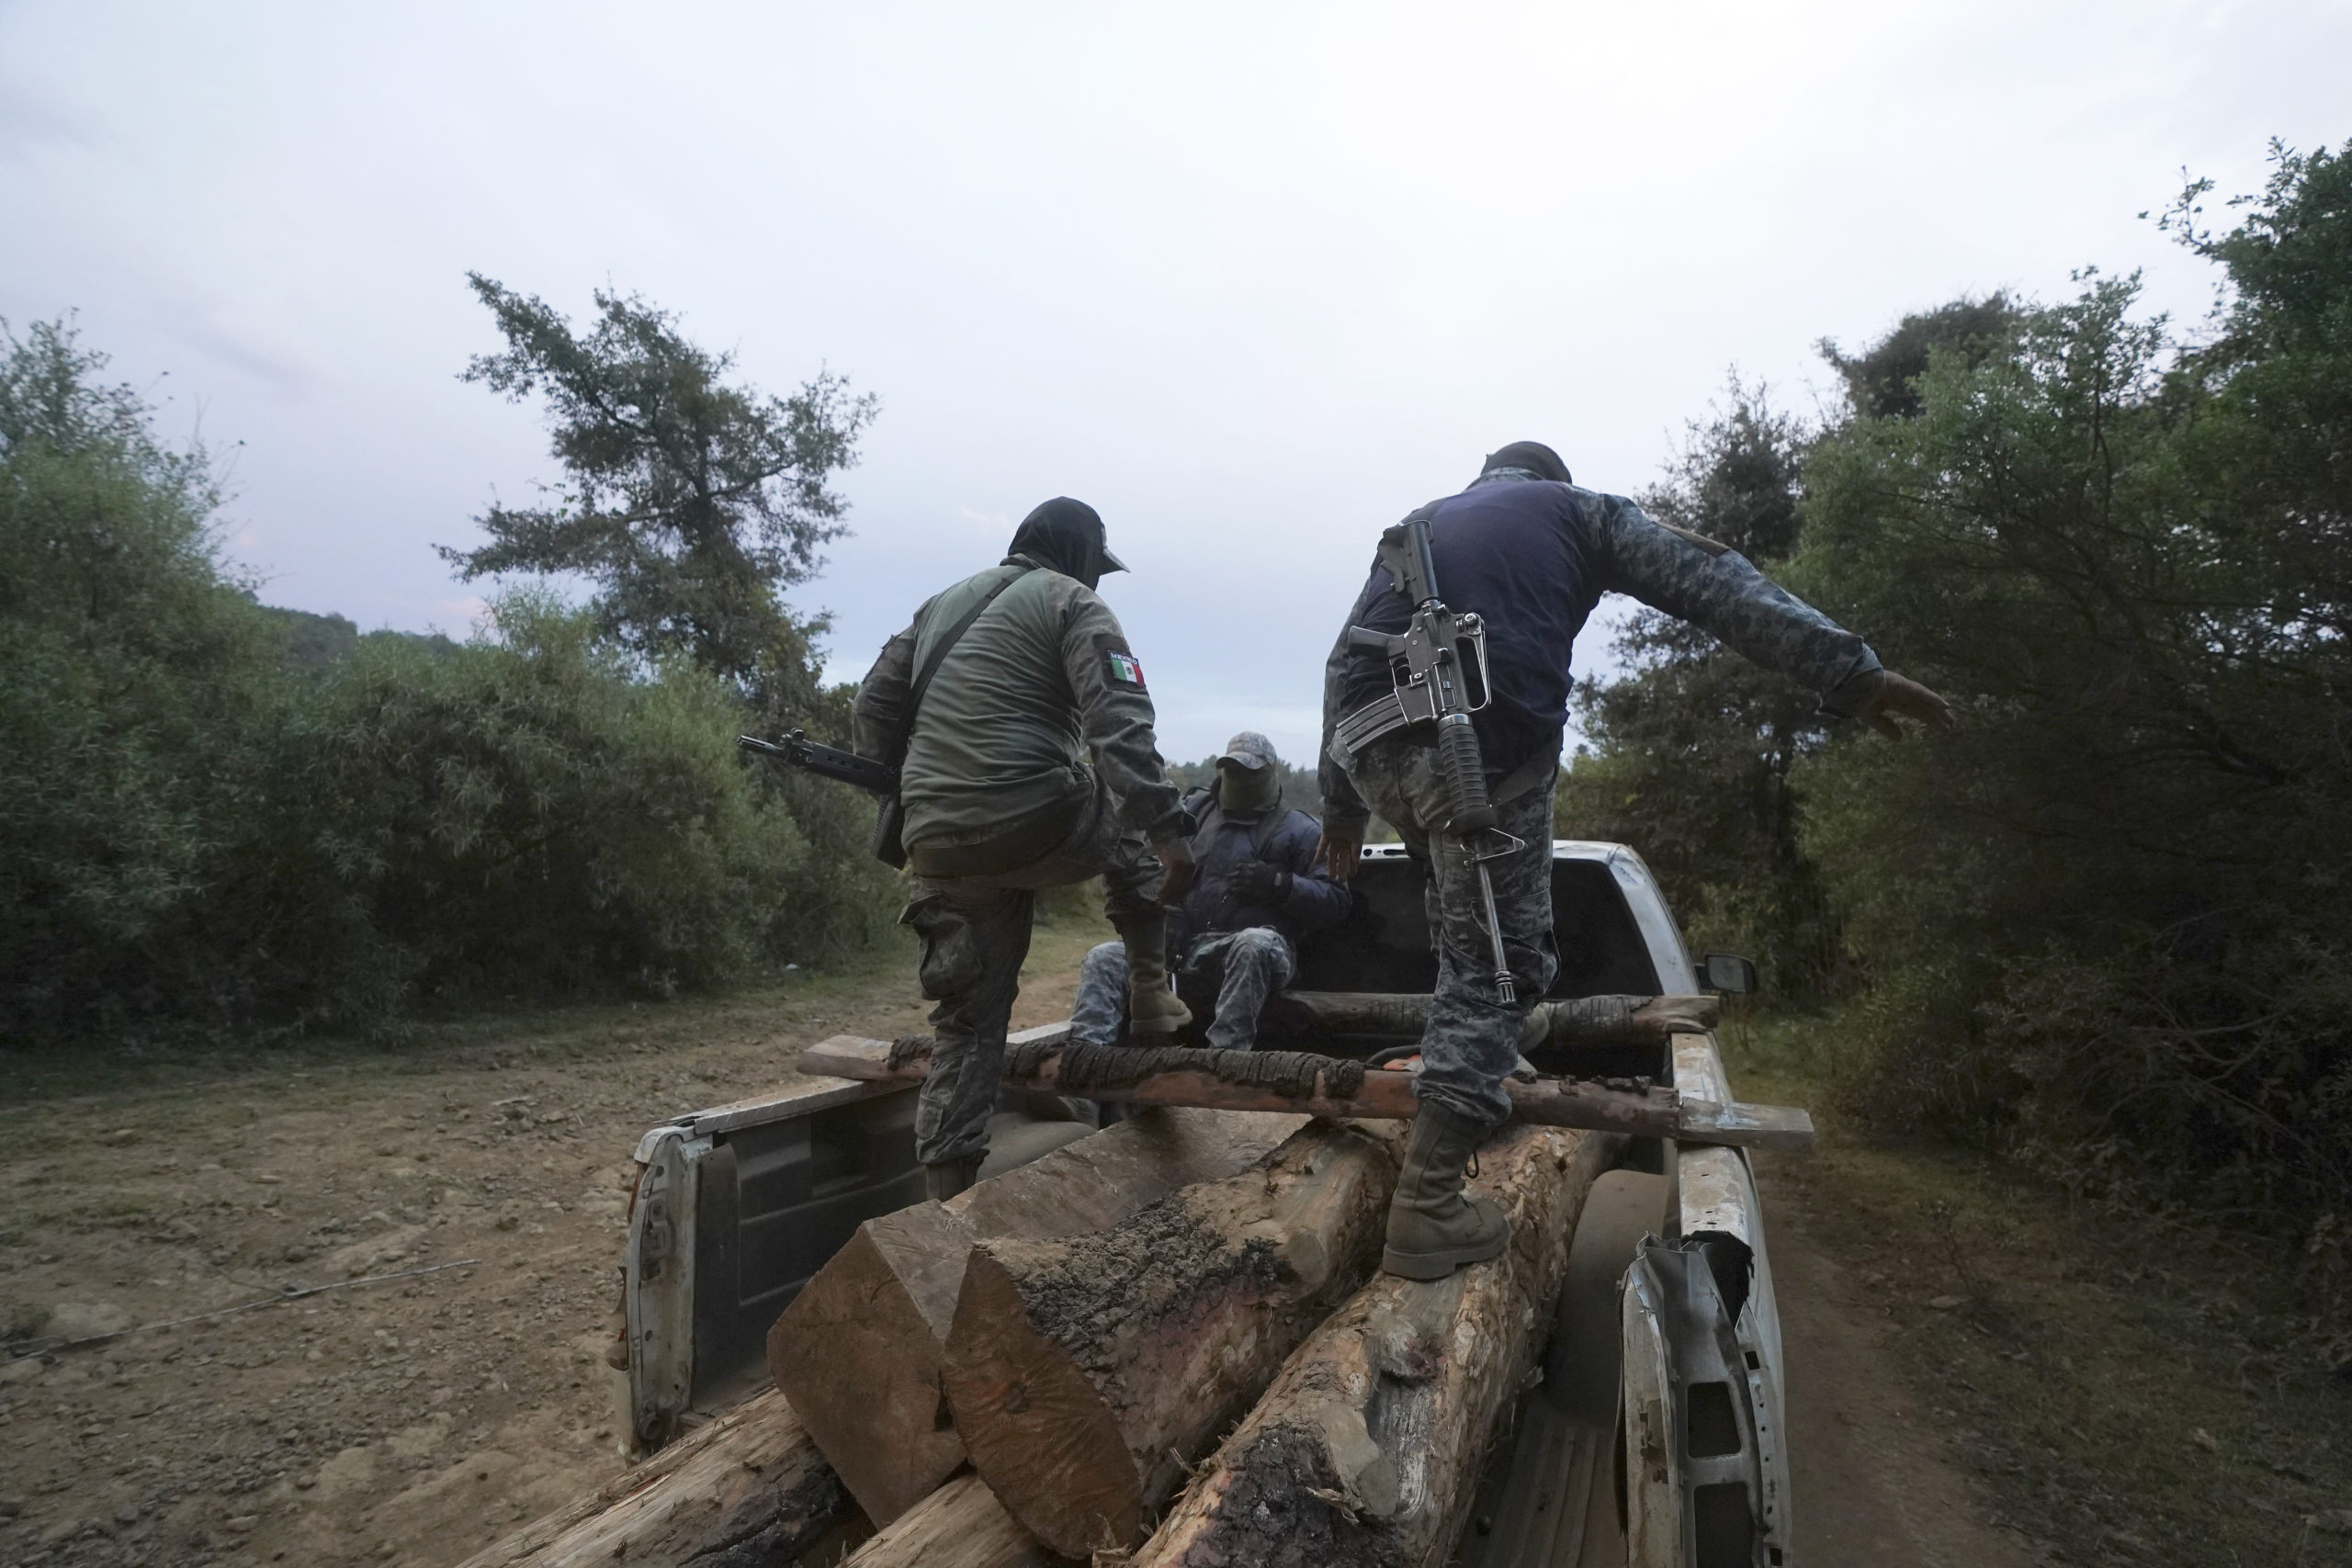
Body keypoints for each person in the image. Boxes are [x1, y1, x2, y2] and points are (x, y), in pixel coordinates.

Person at [1317, 441, 1954, 1280]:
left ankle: (1483, 1056)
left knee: (1458, 905)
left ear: (1488, 478)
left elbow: (1340, 661)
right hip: (1478, 737)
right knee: (1505, 964)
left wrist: (1339, 808)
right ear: (1552, 479)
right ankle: (1428, 1206)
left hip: (1367, 745)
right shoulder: (1582, 511)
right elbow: (1714, 581)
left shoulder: (1417, 526)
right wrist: (1851, 673)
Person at [854, 497, 1197, 1201]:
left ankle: (946, 1203)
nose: (1098, 581)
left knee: (967, 1028)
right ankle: (1151, 987)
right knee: (1130, 799)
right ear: (1079, 556)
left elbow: (872, 708)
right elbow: (1119, 727)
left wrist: (923, 790)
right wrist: (1170, 834)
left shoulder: (938, 606)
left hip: (937, 843)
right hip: (1034, 817)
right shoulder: (1072, 602)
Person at [1069, 732, 1351, 1052]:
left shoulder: (1302, 830)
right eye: (1232, 770)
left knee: (1254, 943)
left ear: (1272, 774)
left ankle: (1224, 1058)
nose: (1240, 779)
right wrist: (1163, 914)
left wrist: (1281, 886)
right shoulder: (1190, 814)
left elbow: (1337, 901)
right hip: (1183, 951)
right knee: (1104, 957)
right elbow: (1149, 868)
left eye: (1250, 772)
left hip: (1255, 954)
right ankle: (1083, 1062)